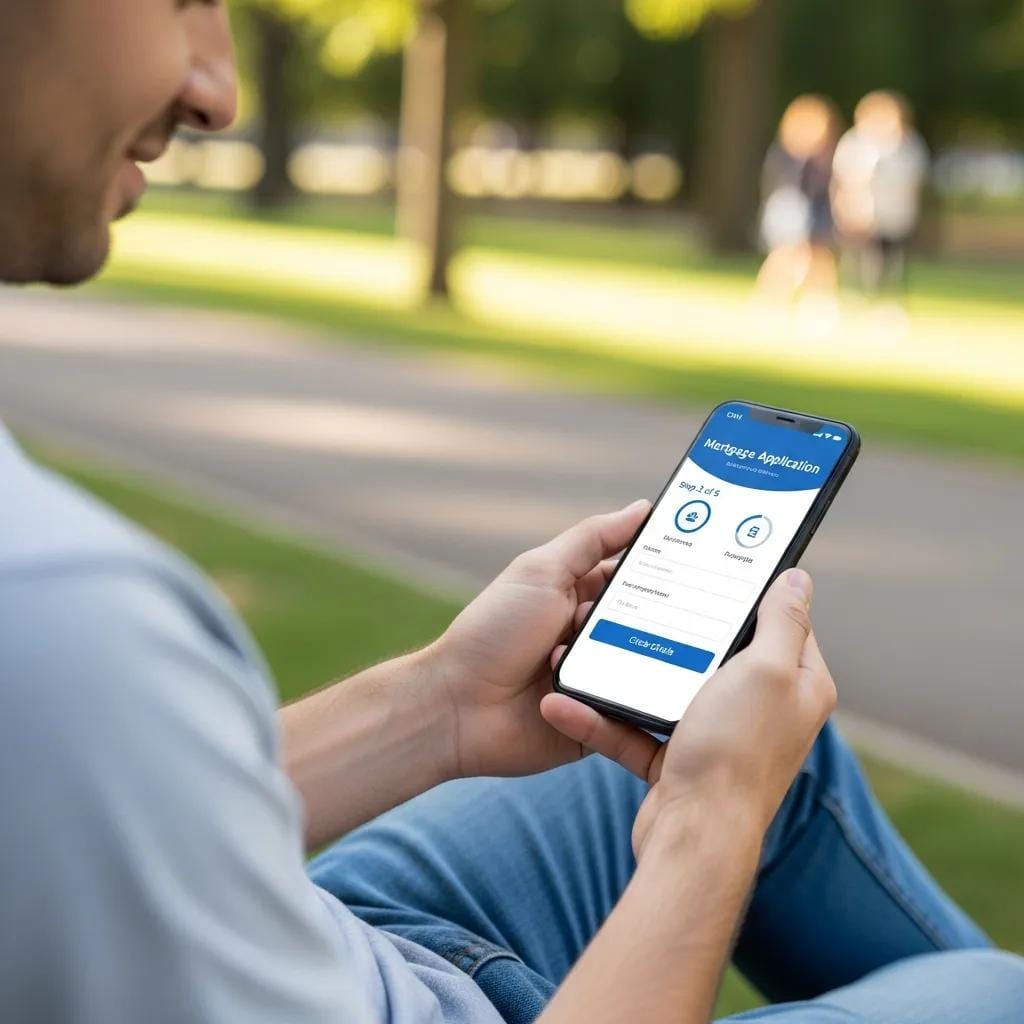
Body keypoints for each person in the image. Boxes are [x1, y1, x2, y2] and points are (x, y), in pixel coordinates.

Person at [1, 4, 1022, 1023]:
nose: (217, 91)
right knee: (985, 987)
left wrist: (441, 703)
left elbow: (78, 827)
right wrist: (709, 823)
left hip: (334, 935)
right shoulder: (65, 613)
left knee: (762, 741)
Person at [831, 90, 930, 297]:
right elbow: (843, 177)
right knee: (858, 255)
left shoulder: (909, 146)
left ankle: (887, 297)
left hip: (893, 212)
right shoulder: (855, 142)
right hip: (860, 210)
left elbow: (914, 179)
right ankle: (854, 292)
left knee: (890, 257)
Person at [756, 95, 842, 323]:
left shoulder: (826, 156)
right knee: (784, 256)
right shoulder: (787, 155)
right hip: (791, 210)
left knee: (820, 257)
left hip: (818, 210)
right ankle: (772, 301)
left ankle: (817, 304)